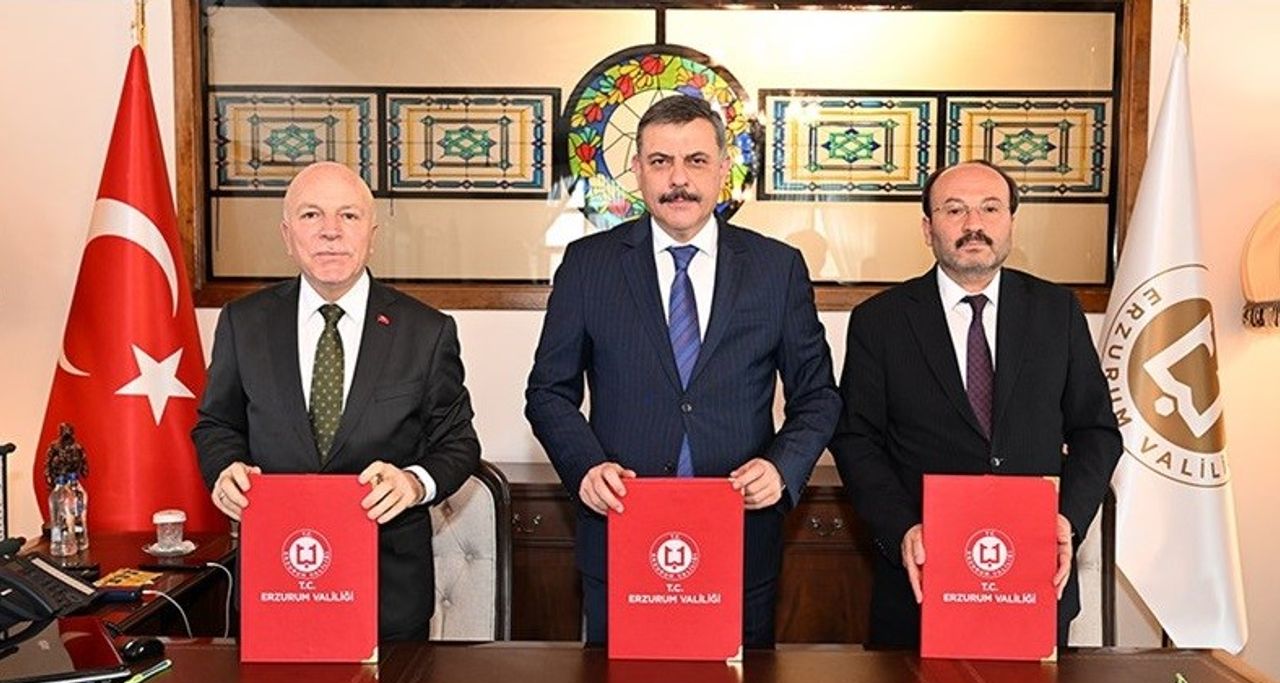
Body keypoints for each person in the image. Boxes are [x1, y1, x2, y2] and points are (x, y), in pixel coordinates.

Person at [525, 94, 840, 648]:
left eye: (696, 161)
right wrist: (587, 467)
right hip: (622, 529)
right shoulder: (588, 265)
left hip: (740, 535)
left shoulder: (776, 268)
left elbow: (818, 395)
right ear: (637, 171)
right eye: (660, 162)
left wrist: (782, 467)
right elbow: (548, 392)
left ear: (723, 169)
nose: (678, 180)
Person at [829, 160, 1122, 648]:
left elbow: (1097, 431)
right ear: (928, 229)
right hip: (921, 583)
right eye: (954, 210)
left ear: (1011, 223)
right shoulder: (880, 321)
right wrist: (902, 529)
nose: (973, 225)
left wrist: (1066, 520)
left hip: (1033, 577)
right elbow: (856, 440)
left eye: (990, 208)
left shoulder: (1057, 312)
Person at [192, 161, 480, 642]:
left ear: (372, 234)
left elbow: (458, 443)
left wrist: (413, 483)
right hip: (275, 581)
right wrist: (225, 470)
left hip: (388, 595)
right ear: (287, 235)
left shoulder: (426, 331)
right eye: (311, 215)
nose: (330, 231)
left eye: (348, 215)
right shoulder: (244, 323)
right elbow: (217, 425)